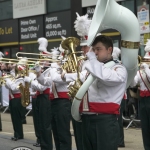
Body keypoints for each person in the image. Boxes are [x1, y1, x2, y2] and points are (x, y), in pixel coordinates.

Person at [65, 35, 127, 150]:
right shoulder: (92, 69)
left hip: (105, 121)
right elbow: (77, 78)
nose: (95, 52)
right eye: (93, 49)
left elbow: (105, 77)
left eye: (98, 49)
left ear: (109, 50)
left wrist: (92, 60)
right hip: (86, 119)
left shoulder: (118, 68)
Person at [130, 39, 150, 150]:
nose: (146, 62)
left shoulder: (146, 70)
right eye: (146, 60)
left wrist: (146, 69)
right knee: (145, 128)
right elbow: (133, 83)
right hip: (143, 100)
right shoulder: (142, 71)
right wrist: (132, 72)